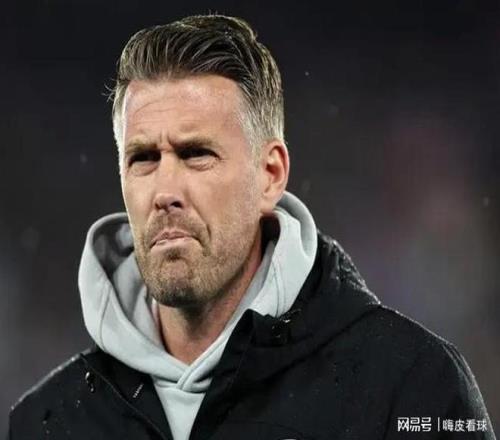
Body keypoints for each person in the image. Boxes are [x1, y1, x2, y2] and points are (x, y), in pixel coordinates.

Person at [8, 14, 496, 440]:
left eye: (196, 154)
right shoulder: (45, 422)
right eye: (143, 158)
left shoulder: (411, 388)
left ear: (270, 175)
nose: (164, 190)